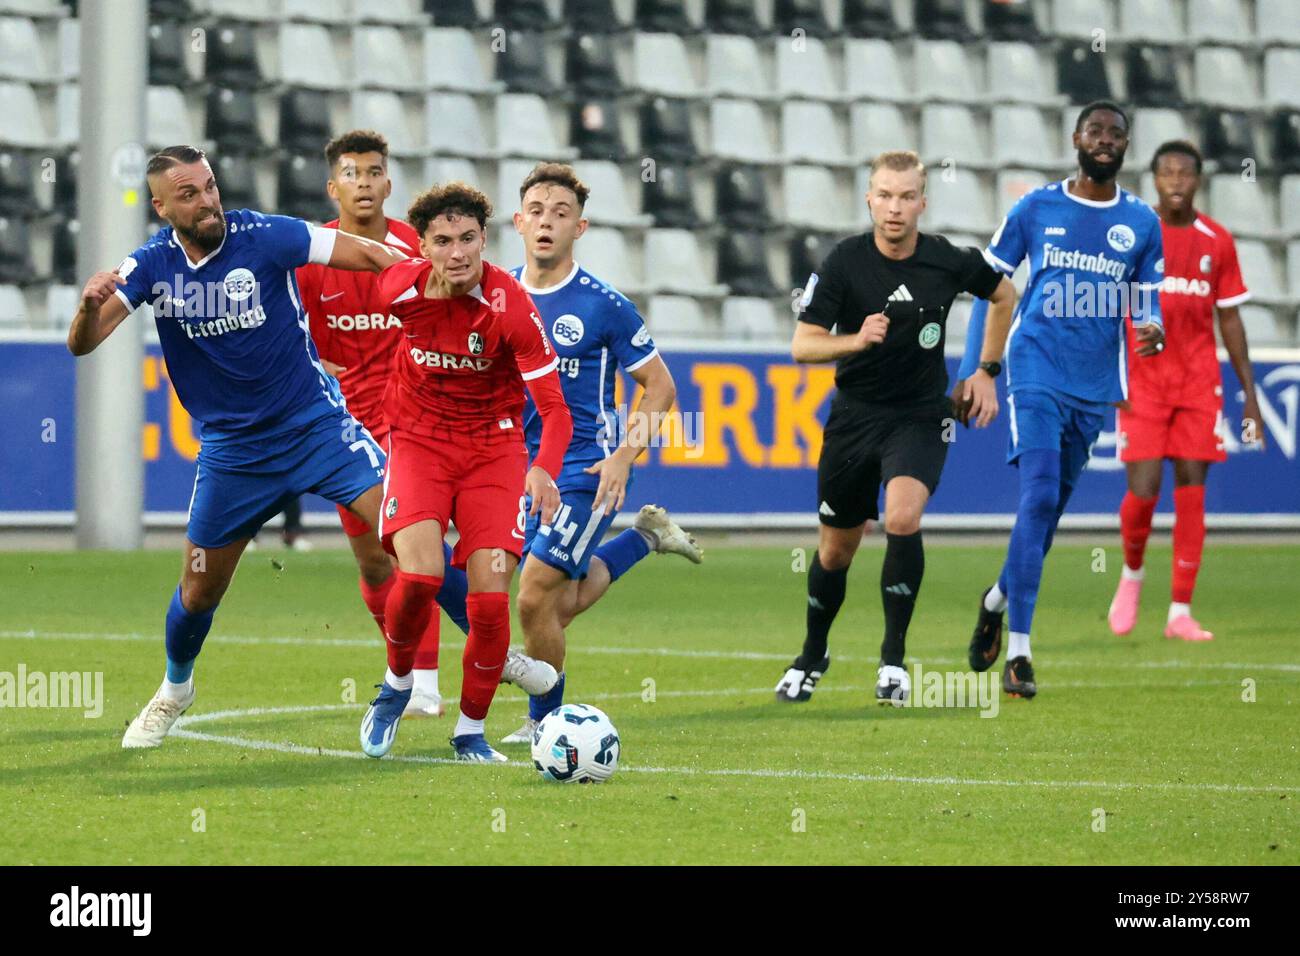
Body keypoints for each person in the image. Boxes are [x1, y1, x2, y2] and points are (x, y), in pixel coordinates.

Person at [68, 145, 407, 748]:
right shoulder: (149, 264)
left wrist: (413, 275)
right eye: (190, 194)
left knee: (408, 531)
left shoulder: (264, 235)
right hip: (233, 452)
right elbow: (85, 342)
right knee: (198, 589)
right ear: (161, 206)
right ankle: (175, 689)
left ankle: (496, 657)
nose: (207, 202)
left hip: (315, 426)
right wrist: (86, 306)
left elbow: (359, 251)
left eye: (210, 187)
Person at [774, 150, 1017, 706]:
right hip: (854, 418)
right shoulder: (844, 262)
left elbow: (1004, 294)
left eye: (907, 196)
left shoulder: (947, 260)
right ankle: (813, 654)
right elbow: (802, 345)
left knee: (903, 517)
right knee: (836, 552)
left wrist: (985, 370)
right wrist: (855, 339)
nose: (895, 208)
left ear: (923, 203)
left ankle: (893, 661)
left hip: (920, 415)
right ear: (869, 199)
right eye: (884, 195)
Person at [954, 101, 1166, 698]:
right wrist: (978, 373)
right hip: (1033, 368)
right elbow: (987, 288)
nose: (1104, 140)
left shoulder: (1141, 223)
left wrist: (1154, 330)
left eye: (1116, 133)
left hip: (1094, 384)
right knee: (1040, 492)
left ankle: (996, 599)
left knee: (1046, 516)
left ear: (1126, 146)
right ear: (1076, 138)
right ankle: (1019, 654)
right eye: (1095, 130)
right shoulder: (1035, 207)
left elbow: (1147, 303)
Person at [359, 182, 572, 763]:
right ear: (423, 247)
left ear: (485, 238)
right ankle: (397, 683)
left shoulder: (511, 308)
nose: (458, 253)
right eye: (444, 241)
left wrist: (543, 471)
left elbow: (554, 411)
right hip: (419, 445)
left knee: (486, 603)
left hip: (492, 453)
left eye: (469, 239)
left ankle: (470, 732)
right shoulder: (398, 289)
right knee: (421, 577)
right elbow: (372, 265)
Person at [501, 162, 702, 744]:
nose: (546, 223)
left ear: (579, 229)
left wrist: (623, 458)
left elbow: (661, 387)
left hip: (586, 468)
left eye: (560, 214)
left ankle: (545, 723)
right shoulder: (498, 294)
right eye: (536, 212)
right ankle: (644, 539)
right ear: (518, 221)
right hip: (518, 468)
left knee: (535, 591)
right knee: (552, 604)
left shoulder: (603, 305)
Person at [294, 129, 471, 718]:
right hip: (348, 428)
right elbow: (301, 341)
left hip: (416, 422)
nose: (363, 183)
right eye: (351, 173)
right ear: (333, 187)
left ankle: (424, 682)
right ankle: (401, 660)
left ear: (389, 184)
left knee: (413, 550)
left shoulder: (418, 249)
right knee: (373, 559)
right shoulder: (311, 260)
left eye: (373, 172)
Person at [1107, 140, 1260, 642]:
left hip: (1198, 383)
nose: (1175, 181)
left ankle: (1179, 611)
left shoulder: (1217, 240)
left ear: (1198, 180)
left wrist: (1250, 395)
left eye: (1184, 173)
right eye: (1166, 172)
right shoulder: (1132, 234)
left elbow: (1231, 318)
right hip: (1144, 383)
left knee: (1192, 491)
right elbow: (1107, 309)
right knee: (1143, 492)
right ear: (1153, 179)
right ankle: (1131, 574)